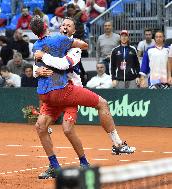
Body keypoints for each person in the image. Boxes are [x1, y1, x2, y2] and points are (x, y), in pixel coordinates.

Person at [30, 16, 135, 179]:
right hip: (55, 91)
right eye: (63, 24)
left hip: (71, 90)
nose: (65, 26)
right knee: (40, 127)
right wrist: (37, 71)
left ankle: (115, 145)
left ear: (74, 30)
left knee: (67, 128)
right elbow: (35, 66)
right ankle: (54, 166)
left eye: (69, 25)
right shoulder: (49, 43)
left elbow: (65, 64)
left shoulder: (74, 47)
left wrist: (43, 57)